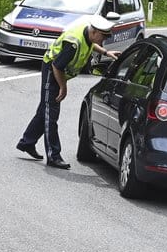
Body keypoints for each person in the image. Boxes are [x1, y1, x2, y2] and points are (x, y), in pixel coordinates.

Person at [16, 16, 121, 169]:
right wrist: (63, 87)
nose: (103, 40)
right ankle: (54, 156)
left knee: (44, 111)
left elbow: (91, 44)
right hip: (52, 72)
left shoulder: (88, 34)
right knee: (51, 115)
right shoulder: (73, 43)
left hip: (58, 72)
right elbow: (57, 66)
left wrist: (105, 52)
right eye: (103, 37)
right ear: (94, 32)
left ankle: (27, 142)